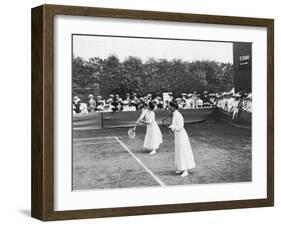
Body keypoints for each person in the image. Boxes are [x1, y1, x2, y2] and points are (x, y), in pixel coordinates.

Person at [168, 101, 196, 177]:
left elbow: (181, 126)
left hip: (181, 135)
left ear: (173, 107)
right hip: (177, 135)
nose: (169, 108)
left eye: (170, 106)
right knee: (178, 151)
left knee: (182, 151)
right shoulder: (174, 114)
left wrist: (173, 127)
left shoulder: (178, 115)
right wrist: (172, 127)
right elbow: (174, 124)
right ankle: (181, 168)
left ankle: (185, 170)